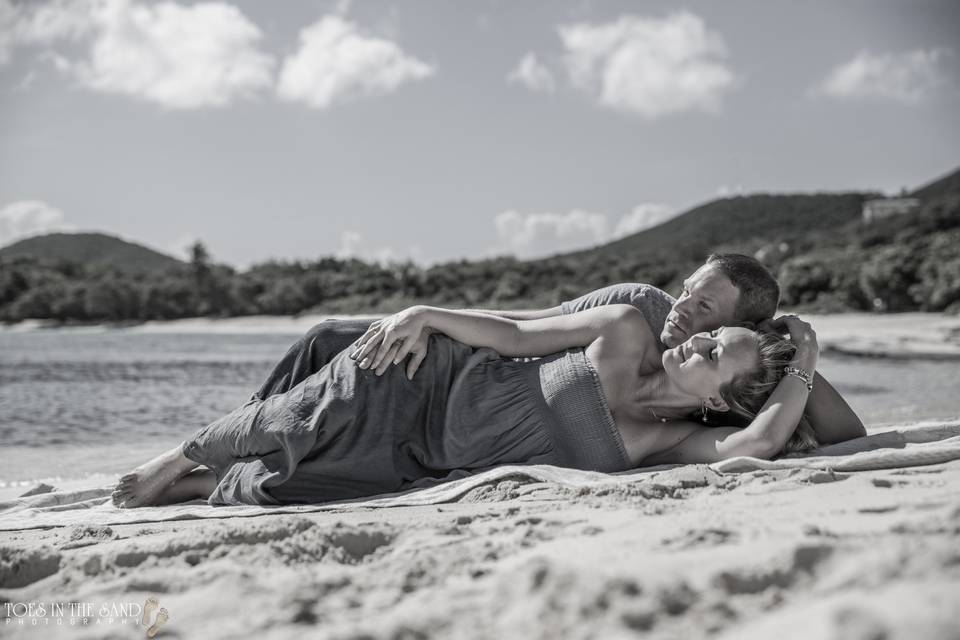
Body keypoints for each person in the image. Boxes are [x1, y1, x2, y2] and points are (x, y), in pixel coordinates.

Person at [112, 295, 820, 508]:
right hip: (430, 376)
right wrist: (427, 315)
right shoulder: (623, 330)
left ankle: (193, 483)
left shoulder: (669, 442)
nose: (695, 344)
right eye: (708, 338)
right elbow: (513, 334)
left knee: (293, 484)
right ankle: (178, 454)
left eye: (714, 356)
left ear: (723, 399)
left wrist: (809, 359)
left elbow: (756, 447)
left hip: (428, 460)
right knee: (303, 418)